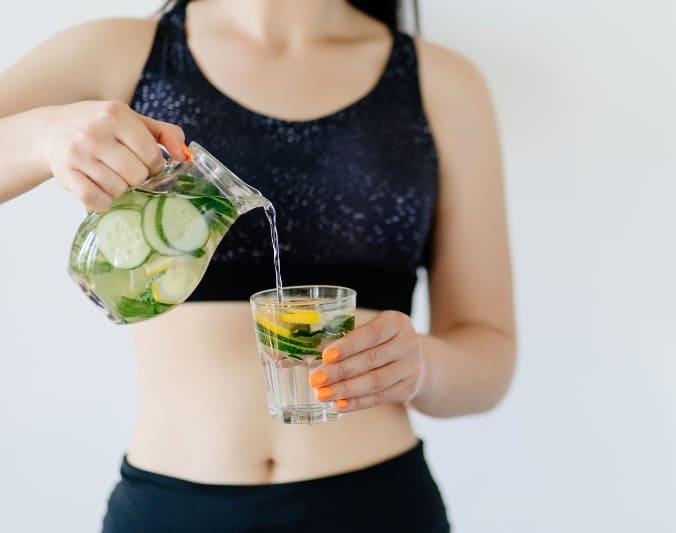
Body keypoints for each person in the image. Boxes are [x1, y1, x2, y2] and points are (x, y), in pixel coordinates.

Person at [0, 0, 516, 531]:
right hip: (171, 512)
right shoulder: (120, 52)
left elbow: (489, 355)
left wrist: (419, 367)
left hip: (377, 506)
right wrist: (43, 135)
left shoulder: (443, 84)